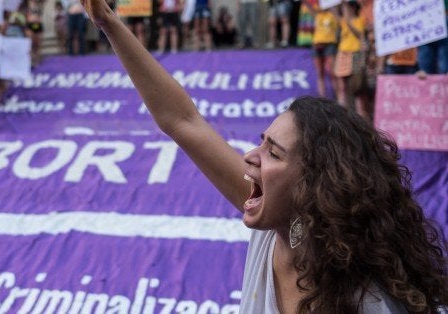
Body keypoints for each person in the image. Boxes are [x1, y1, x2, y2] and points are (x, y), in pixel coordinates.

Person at [80, 0, 448, 312]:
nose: (250, 157)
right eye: (261, 142)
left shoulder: (369, 304)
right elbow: (182, 120)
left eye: (273, 152)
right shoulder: (277, 227)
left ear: (318, 186)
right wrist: (108, 22)